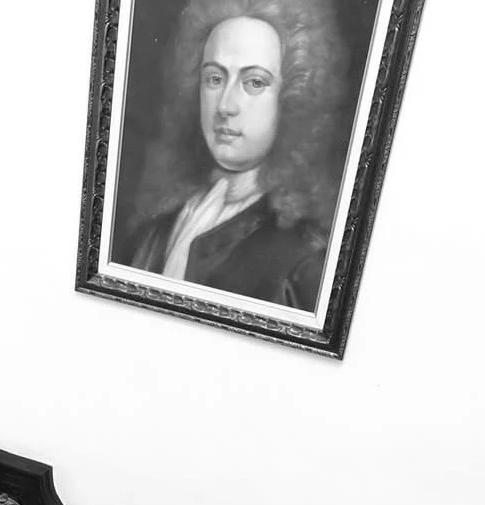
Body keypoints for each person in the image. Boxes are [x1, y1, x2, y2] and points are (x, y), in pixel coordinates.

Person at [119, 0, 348, 310]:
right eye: (215, 78)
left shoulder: (304, 260)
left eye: (254, 82)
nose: (225, 105)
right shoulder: (162, 226)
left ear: (294, 95)